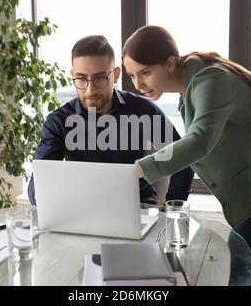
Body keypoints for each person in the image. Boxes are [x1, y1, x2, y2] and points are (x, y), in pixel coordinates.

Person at [122, 25, 251, 286]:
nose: (138, 84)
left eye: (145, 73)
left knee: (241, 259)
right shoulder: (192, 83)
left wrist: (137, 170)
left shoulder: (210, 80)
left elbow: (199, 141)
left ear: (170, 63)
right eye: (132, 75)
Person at [28, 35, 194, 206]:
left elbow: (183, 161)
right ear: (73, 76)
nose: (90, 89)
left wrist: (170, 210)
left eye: (100, 78)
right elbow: (39, 184)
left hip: (138, 207)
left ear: (115, 75)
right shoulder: (59, 121)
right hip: (82, 209)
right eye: (81, 78)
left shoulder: (142, 110)